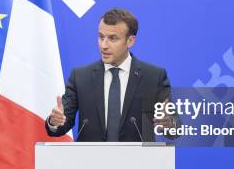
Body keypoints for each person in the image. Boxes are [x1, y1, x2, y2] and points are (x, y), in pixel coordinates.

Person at [45, 8, 177, 142]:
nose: (104, 45)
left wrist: (169, 124)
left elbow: (175, 129)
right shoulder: (80, 77)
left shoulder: (153, 77)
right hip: (91, 161)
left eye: (113, 38)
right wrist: (54, 122)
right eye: (101, 37)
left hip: (138, 162)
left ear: (130, 41)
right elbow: (61, 123)